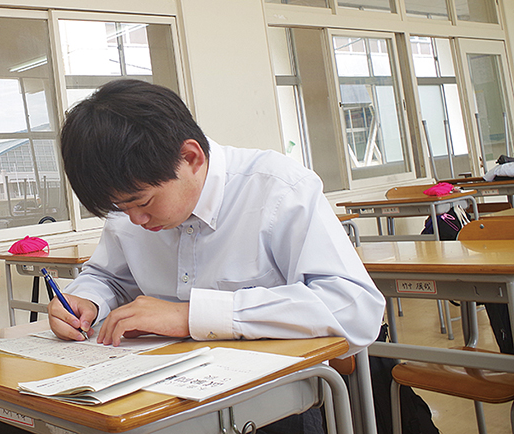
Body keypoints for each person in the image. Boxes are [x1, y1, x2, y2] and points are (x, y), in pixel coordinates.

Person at [49, 79, 385, 434]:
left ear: (191, 158)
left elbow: (355, 308)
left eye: (142, 202)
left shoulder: (279, 188)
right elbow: (107, 277)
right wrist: (86, 300)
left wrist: (193, 315)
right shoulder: (132, 204)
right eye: (120, 207)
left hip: (269, 405)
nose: (135, 219)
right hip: (155, 396)